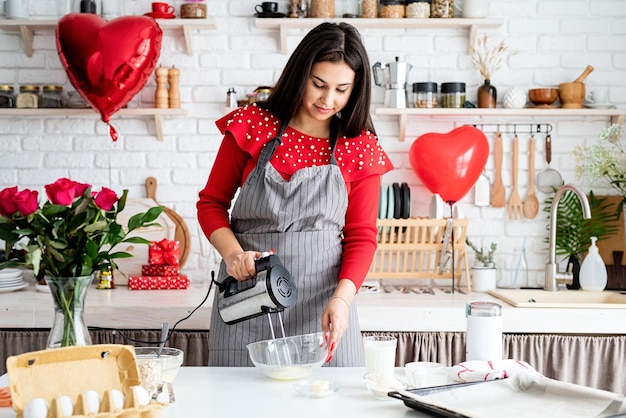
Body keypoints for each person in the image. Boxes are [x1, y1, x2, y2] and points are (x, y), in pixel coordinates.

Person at [197, 22, 393, 367]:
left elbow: (362, 236)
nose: (327, 100)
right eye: (318, 84)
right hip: (247, 298)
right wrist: (232, 255)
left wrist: (343, 301)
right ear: (299, 73)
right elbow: (211, 203)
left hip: (325, 305)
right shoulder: (253, 124)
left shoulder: (359, 147)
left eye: (341, 89)